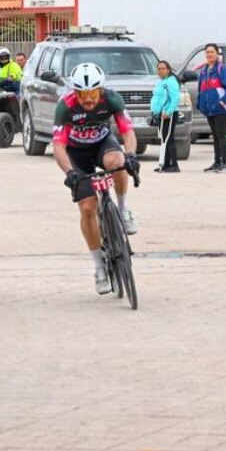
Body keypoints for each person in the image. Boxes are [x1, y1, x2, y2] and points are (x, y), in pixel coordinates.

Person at [53, 62, 140, 294]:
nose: (89, 99)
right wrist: (70, 173)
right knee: (88, 208)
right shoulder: (66, 106)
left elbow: (127, 131)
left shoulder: (112, 99)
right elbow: (59, 146)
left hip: (102, 143)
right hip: (76, 153)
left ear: (101, 90)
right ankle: (99, 267)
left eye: (93, 93)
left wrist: (130, 155)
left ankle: (122, 209)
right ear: (76, 92)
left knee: (118, 162)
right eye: (84, 94)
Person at [196, 43, 226, 173]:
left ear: (217, 54)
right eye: (207, 52)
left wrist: (223, 101)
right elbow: (201, 91)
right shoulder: (203, 72)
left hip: (221, 109)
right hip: (209, 110)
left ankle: (223, 163)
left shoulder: (222, 69)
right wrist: (200, 104)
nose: (209, 54)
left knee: (221, 135)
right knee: (214, 136)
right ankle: (216, 161)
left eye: (212, 52)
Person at [151, 60, 181, 173]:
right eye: (159, 69)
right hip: (161, 114)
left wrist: (168, 112)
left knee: (169, 138)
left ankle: (174, 165)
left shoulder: (171, 81)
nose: (161, 71)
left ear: (168, 70)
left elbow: (175, 99)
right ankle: (166, 164)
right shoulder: (161, 82)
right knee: (164, 138)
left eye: (163, 68)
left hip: (169, 114)